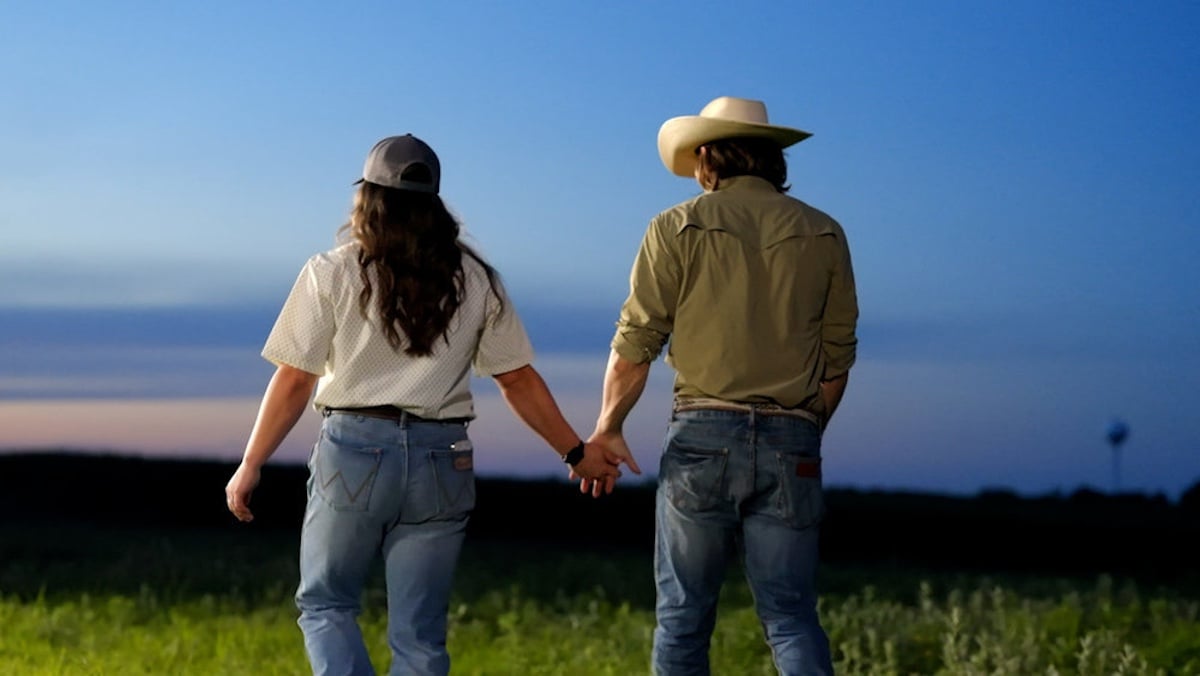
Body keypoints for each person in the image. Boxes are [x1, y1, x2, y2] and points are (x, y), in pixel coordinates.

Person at [224, 133, 635, 676]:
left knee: (327, 604)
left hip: (354, 452)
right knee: (420, 636)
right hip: (444, 460)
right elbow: (517, 378)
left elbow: (295, 379)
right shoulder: (476, 279)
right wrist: (575, 451)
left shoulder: (331, 271)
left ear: (367, 197)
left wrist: (251, 463)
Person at [584, 97, 858, 675]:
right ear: (772, 158)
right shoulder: (825, 233)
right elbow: (837, 363)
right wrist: (803, 434)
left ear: (706, 155)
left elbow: (635, 345)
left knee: (683, 620)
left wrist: (607, 427)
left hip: (701, 440)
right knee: (791, 619)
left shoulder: (674, 226)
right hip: (794, 440)